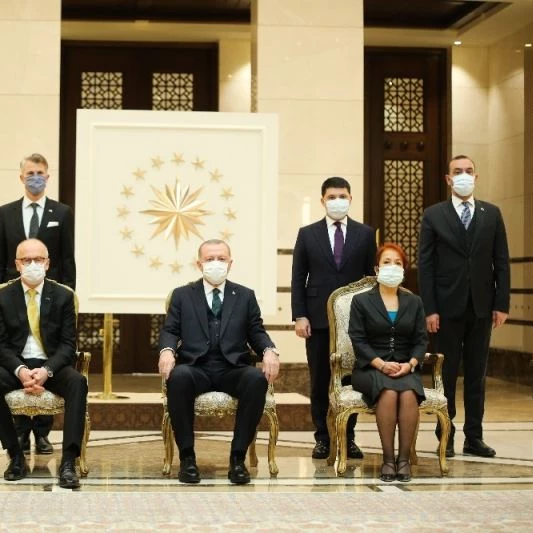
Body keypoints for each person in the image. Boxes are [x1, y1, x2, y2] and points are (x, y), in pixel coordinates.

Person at [159, 239, 280, 485]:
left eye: (221, 259)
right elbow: (170, 330)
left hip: (232, 368)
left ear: (230, 263)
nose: (216, 263)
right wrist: (167, 351)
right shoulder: (182, 295)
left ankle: (237, 459)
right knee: (178, 377)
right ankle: (187, 458)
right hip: (196, 368)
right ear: (199, 264)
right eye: (210, 259)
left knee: (256, 379)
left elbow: (256, 331)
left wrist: (269, 350)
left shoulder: (245, 296)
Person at [418, 155, 510, 458]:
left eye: (469, 171)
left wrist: (501, 303)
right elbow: (426, 265)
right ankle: (446, 435)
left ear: (476, 177)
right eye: (457, 171)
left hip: (482, 307)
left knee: (476, 375)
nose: (463, 175)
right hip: (445, 310)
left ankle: (474, 437)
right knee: (445, 376)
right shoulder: (434, 215)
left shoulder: (492, 214)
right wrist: (430, 309)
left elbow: (501, 261)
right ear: (448, 179)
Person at [0, 239, 87, 488]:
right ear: (17, 264)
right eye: (27, 260)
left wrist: (46, 371)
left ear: (47, 263)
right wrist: (21, 371)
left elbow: (68, 345)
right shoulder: (1, 297)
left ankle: (68, 462)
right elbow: (0, 345)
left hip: (51, 365)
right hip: (15, 365)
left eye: (38, 260)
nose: (33, 265)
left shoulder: (63, 296)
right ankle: (15, 455)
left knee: (78, 382)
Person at [0, 153, 76, 455]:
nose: (35, 177)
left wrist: (69, 296)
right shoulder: (6, 213)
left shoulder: (62, 212)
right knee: (17, 356)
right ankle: (19, 432)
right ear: (21, 177)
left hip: (50, 299)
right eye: (30, 173)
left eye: (40, 173)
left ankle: (41, 433)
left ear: (48, 177)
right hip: (13, 298)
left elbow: (67, 258)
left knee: (46, 356)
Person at [291, 176, 376, 460]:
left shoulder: (365, 234)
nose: (337, 201)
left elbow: (370, 280)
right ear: (322, 201)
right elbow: (298, 278)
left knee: (350, 379)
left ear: (350, 199)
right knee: (320, 380)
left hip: (355, 322)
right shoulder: (307, 234)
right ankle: (323, 438)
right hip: (316, 319)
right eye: (331, 197)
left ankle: (348, 437)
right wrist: (300, 315)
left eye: (342, 196)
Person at [348, 243, 427, 482]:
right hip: (369, 368)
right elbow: (358, 339)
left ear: (403, 269)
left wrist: (410, 364)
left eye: (397, 263)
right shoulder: (361, 301)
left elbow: (421, 340)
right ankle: (388, 460)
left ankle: (403, 460)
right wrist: (380, 364)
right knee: (389, 392)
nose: (392, 266)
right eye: (386, 262)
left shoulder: (414, 302)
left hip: (405, 367)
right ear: (376, 268)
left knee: (409, 393)